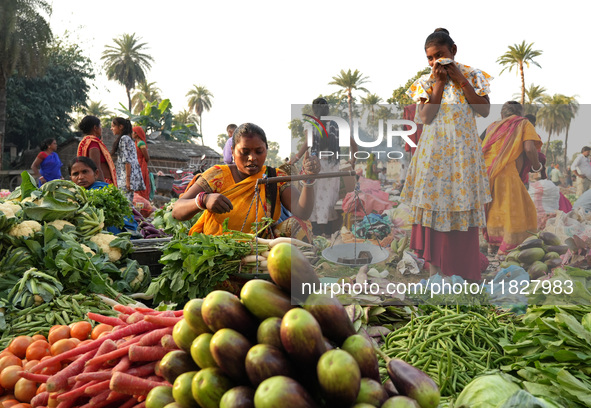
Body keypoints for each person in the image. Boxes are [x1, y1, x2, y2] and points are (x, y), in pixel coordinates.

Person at [401, 28, 492, 280]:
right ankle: (437, 274)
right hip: (435, 155)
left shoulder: (474, 75)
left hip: (463, 154)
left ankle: (465, 272)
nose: (434, 62)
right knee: (436, 207)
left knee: (461, 205)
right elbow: (425, 117)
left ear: (453, 51)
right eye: (430, 58)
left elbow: (483, 110)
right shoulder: (426, 81)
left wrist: (460, 79)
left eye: (439, 55)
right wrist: (440, 83)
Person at [172, 122, 320, 239]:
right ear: (233, 152)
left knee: (296, 227)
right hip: (218, 250)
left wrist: (309, 181)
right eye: (245, 152)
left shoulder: (275, 177)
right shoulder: (217, 176)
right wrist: (204, 200)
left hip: (260, 250)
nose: (252, 158)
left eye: (259, 151)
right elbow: (177, 210)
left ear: (266, 151)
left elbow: (302, 212)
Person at [481, 101, 542, 254]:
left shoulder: (492, 126)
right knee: (519, 210)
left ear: (502, 115)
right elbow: (529, 148)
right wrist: (536, 166)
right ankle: (508, 246)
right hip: (506, 171)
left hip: (485, 172)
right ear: (520, 114)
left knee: (493, 208)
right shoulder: (523, 123)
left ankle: (492, 244)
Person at [290, 97, 353, 236]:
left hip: (316, 165)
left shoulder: (312, 124)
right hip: (333, 165)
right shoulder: (336, 124)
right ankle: (329, 232)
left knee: (316, 197)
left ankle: (317, 232)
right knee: (330, 197)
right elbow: (353, 142)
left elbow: (307, 143)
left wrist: (294, 159)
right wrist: (352, 159)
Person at [69, 156, 137, 234]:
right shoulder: (75, 193)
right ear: (71, 178)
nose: (80, 177)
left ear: (96, 174)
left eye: (85, 172)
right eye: (75, 174)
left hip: (121, 235)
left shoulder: (102, 190)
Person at [111, 117, 145, 202]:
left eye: (113, 126)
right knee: (127, 203)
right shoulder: (129, 139)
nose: (111, 128)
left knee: (125, 204)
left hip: (124, 178)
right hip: (127, 178)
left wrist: (127, 180)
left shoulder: (124, 139)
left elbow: (127, 161)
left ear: (121, 127)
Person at [77, 115, 117, 185]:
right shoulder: (93, 143)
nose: (101, 129)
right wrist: (102, 185)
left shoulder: (85, 142)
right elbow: (96, 167)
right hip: (102, 181)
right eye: (100, 126)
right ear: (95, 128)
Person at [132, 126, 151, 201]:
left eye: (133, 132)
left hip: (140, 165)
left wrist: (142, 164)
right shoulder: (135, 142)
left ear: (137, 134)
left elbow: (147, 157)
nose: (132, 134)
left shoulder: (141, 143)